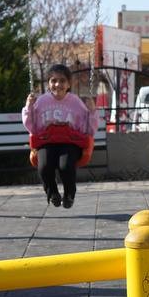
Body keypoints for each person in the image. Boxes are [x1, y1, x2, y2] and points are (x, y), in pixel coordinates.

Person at [22, 63, 98, 208]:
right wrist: (28, 107)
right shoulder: (42, 101)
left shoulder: (75, 102)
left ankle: (69, 194)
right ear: (49, 83)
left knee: (66, 166)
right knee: (44, 166)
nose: (58, 84)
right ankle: (52, 194)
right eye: (53, 80)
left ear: (69, 84)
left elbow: (88, 129)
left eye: (62, 81)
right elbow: (31, 125)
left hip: (70, 143)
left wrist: (92, 111)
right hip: (47, 142)